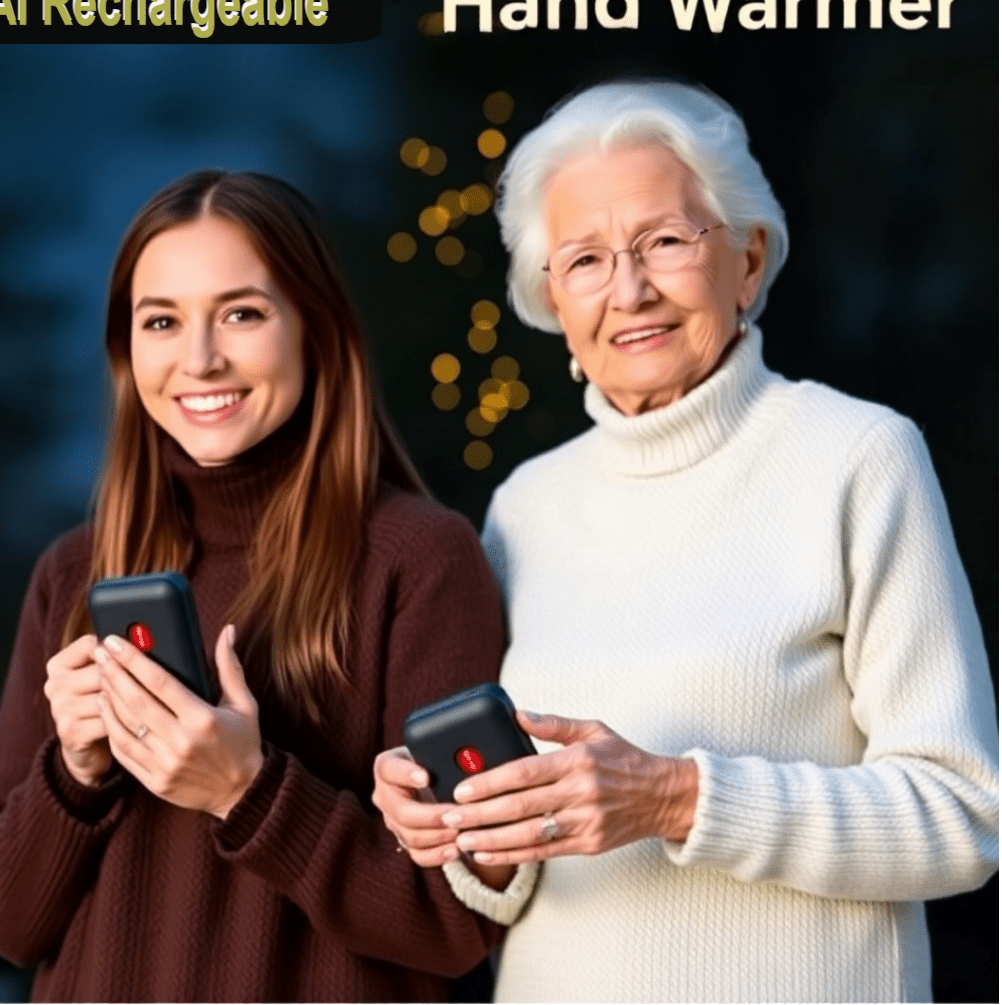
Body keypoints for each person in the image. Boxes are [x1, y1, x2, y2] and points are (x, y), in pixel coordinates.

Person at [373, 81, 999, 1002]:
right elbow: (507, 889)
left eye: (664, 240)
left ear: (747, 259)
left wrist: (679, 798)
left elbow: (966, 816)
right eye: (585, 259)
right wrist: (458, 830)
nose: (629, 290)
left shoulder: (859, 457)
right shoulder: (525, 506)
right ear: (553, 300)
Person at [0, 171, 529, 1002]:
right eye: (162, 321)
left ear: (316, 332)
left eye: (242, 313)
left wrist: (247, 790)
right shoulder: (74, 574)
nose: (200, 359)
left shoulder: (421, 560)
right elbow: (3, 923)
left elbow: (454, 925)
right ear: (128, 353)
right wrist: (74, 771)